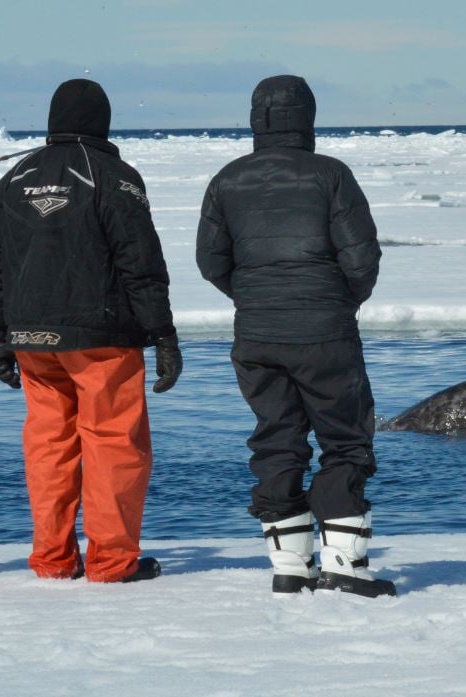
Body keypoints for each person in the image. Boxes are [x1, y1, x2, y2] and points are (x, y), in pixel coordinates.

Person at [196, 75, 394, 597]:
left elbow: (210, 262)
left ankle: (289, 567)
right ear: (308, 116)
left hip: (258, 334)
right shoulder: (332, 175)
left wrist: (255, 297)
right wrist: (341, 300)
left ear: (255, 118)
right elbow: (362, 258)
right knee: (346, 440)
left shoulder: (227, 179)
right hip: (324, 330)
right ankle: (346, 568)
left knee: (276, 439)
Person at [0, 79, 182, 583]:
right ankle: (111, 563)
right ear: (101, 122)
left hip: (33, 340)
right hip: (101, 339)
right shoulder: (114, 176)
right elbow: (141, 264)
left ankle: (53, 559)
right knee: (113, 443)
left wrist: (1, 334)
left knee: (49, 445)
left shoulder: (15, 177)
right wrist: (163, 334)